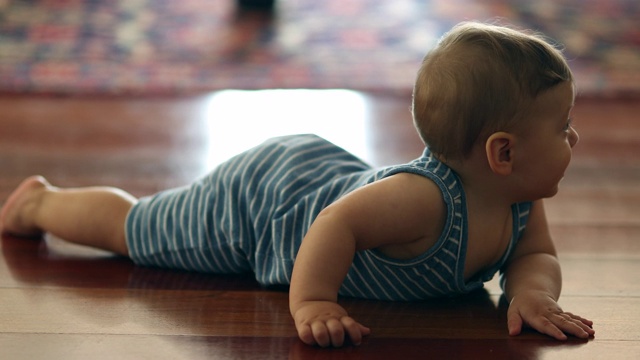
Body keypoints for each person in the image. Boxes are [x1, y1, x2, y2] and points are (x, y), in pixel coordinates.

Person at [0, 21, 594, 347]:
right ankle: (40, 203)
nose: (573, 139)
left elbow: (534, 255)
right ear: (503, 152)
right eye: (563, 126)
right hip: (266, 204)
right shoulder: (424, 201)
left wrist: (530, 294)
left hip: (319, 175)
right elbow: (334, 222)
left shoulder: (516, 201)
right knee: (138, 229)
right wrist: (312, 301)